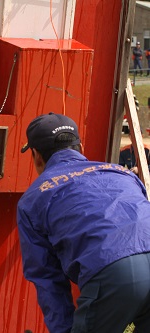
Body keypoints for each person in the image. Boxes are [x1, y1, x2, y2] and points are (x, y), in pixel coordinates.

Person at [17, 112, 150, 333]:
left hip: (116, 274)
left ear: (36, 156)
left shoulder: (32, 200)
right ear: (80, 148)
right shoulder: (122, 173)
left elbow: (47, 277)